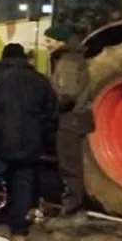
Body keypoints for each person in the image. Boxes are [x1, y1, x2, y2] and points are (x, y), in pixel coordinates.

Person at [0, 43, 58, 241]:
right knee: (22, 185)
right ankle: (18, 231)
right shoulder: (39, 80)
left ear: (3, 57)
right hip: (29, 145)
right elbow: (51, 114)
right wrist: (41, 139)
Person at [42, 24, 91, 228]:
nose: (46, 46)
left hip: (69, 120)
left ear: (60, 41)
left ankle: (73, 213)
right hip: (74, 119)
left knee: (69, 166)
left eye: (49, 41)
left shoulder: (68, 62)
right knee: (72, 165)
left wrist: (48, 107)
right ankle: (74, 208)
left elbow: (67, 94)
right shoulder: (70, 59)